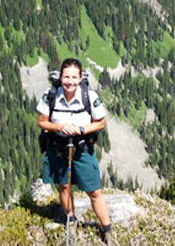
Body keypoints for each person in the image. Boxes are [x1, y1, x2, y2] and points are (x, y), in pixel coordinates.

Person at [37, 58, 112, 242]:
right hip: (57, 146)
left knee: (94, 190)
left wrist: (81, 130)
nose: (69, 81)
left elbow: (100, 122)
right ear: (61, 77)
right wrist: (60, 127)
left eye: (73, 77)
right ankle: (70, 218)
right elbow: (42, 121)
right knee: (63, 185)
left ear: (80, 78)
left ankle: (107, 229)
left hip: (82, 146)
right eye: (66, 77)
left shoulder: (89, 96)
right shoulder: (51, 95)